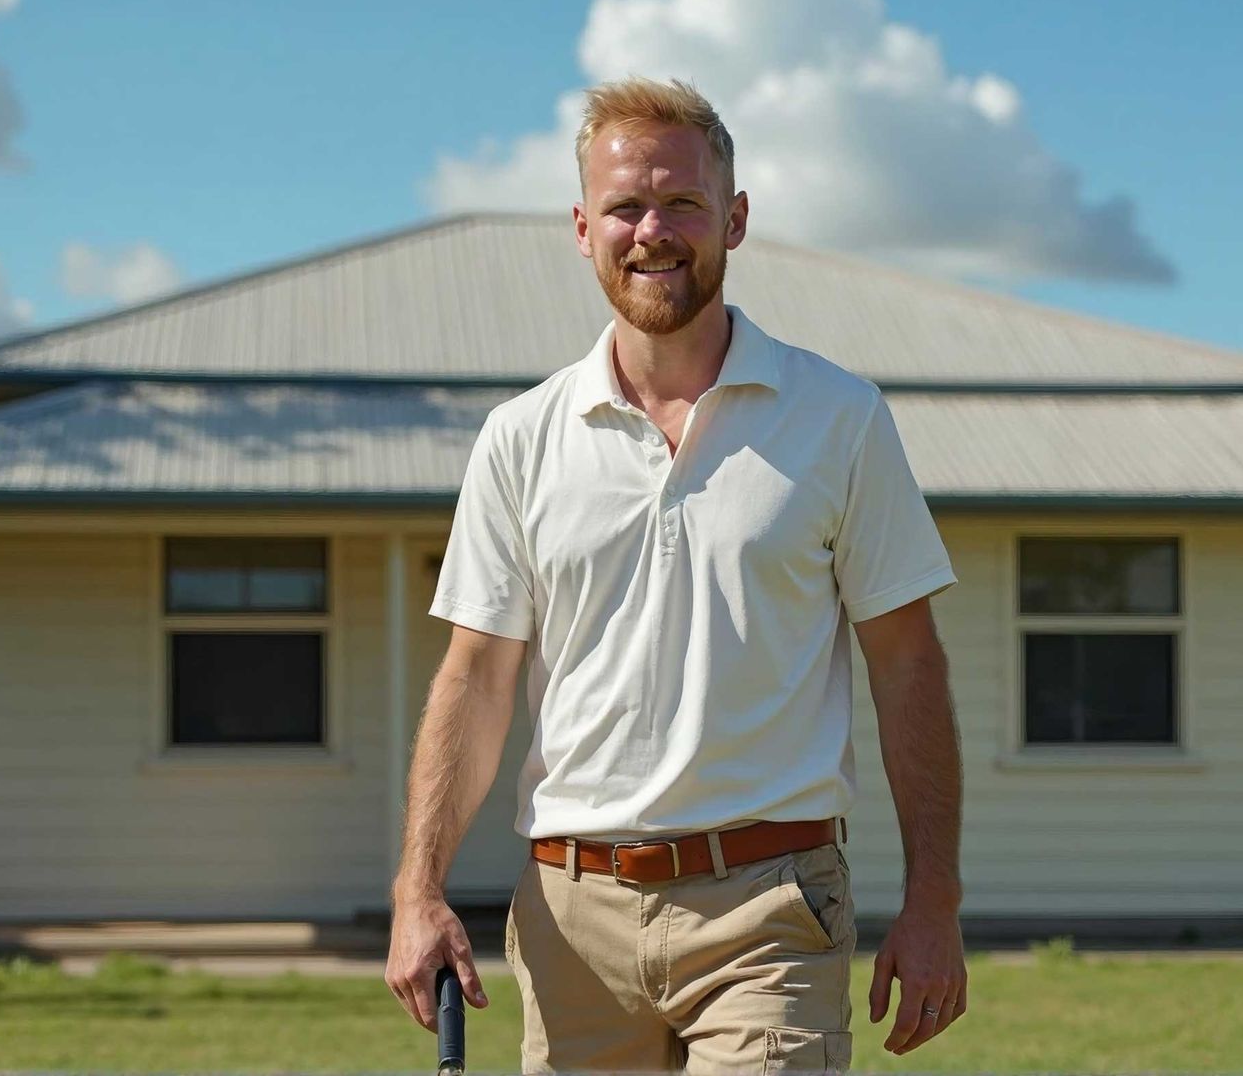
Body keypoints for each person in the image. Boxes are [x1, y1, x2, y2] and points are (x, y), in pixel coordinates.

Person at [385, 76, 966, 1074]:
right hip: (570, 921)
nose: (653, 231)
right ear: (583, 230)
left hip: (769, 909)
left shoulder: (838, 419)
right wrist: (417, 887)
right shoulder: (520, 438)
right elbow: (475, 678)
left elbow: (909, 664)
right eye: (625, 206)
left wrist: (934, 901)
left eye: (683, 202)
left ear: (734, 220)